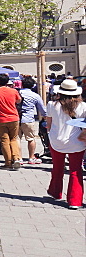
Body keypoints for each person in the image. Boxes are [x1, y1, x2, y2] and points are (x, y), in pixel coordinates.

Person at [45, 79, 86, 209]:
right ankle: (75, 201)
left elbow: (49, 124)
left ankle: (55, 192)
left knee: (57, 167)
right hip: (77, 142)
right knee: (75, 170)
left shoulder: (52, 105)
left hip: (56, 140)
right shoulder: (83, 106)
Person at [19, 77, 47, 165]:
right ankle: (31, 158)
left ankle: (18, 158)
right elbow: (42, 110)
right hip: (28, 119)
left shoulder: (17, 93)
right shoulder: (35, 95)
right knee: (31, 139)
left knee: (16, 139)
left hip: (16, 118)